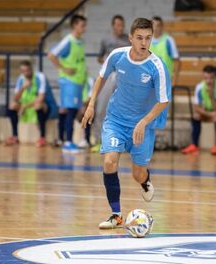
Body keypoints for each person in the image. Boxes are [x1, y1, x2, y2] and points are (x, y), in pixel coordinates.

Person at [82, 18, 171, 229]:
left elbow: (164, 101)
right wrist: (91, 103)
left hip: (143, 124)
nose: (143, 42)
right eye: (139, 38)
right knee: (109, 162)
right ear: (130, 38)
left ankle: (145, 181)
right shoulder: (117, 56)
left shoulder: (157, 66)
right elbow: (101, 77)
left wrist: (144, 122)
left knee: (137, 173)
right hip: (116, 120)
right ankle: (116, 215)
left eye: (148, 38)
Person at [48, 14, 87, 153]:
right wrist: (63, 68)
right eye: (82, 25)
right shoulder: (68, 41)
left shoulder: (80, 42)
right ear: (74, 25)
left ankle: (67, 140)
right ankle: (68, 142)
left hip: (77, 82)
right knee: (70, 111)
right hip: (69, 81)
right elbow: (51, 55)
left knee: (73, 110)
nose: (84, 28)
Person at [92, 14, 130, 153]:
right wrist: (106, 61)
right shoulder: (106, 40)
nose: (120, 27)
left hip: (123, 78)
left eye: (122, 25)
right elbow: (99, 58)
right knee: (102, 108)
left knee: (123, 110)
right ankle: (99, 141)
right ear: (113, 25)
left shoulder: (128, 40)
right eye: (117, 25)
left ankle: (122, 142)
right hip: (109, 76)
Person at [181, 65, 216, 155]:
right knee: (196, 116)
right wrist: (209, 114)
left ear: (215, 76)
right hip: (211, 111)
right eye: (206, 78)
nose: (208, 81)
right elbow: (196, 107)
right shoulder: (200, 87)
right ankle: (194, 145)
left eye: (211, 78)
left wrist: (211, 96)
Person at [4, 60, 58, 147]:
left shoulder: (40, 77)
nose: (26, 73)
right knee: (12, 105)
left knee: (38, 105)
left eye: (27, 70)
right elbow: (15, 99)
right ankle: (15, 136)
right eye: (23, 71)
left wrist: (24, 107)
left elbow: (40, 98)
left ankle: (42, 137)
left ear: (31, 69)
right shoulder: (21, 79)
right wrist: (23, 88)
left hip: (46, 107)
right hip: (28, 107)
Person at [150, 16, 180, 86]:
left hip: (165, 81)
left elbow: (177, 61)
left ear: (162, 27)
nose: (155, 28)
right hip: (150, 81)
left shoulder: (168, 40)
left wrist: (174, 81)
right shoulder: (146, 40)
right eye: (153, 25)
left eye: (158, 26)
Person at [76, 76, 94, 148]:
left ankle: (86, 139)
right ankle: (86, 139)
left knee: (86, 120)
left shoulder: (89, 80)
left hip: (88, 105)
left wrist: (84, 106)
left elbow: (90, 96)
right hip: (82, 105)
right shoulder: (79, 82)